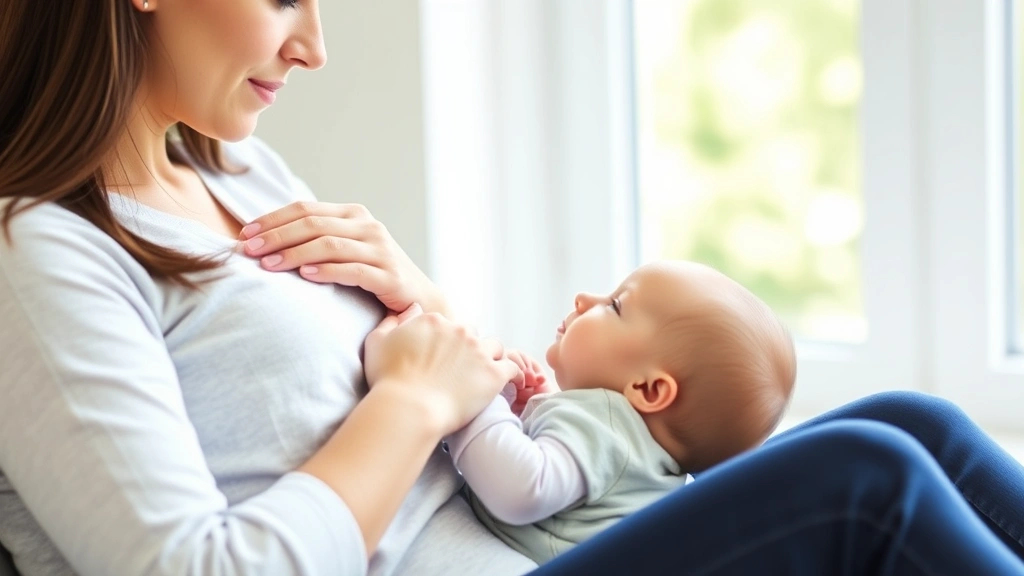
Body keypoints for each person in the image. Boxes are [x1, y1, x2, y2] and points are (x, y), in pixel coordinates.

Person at [0, 2, 1023, 575]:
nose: (314, 44)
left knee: (913, 423)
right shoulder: (43, 253)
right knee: (869, 480)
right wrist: (408, 406)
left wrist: (426, 303)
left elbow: (446, 374)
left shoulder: (238, 171)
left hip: (530, 548)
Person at [447, 260, 796, 563]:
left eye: (614, 306)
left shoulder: (607, 427)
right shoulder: (645, 462)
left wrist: (474, 399)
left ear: (648, 390)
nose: (584, 298)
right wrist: (532, 408)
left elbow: (522, 489)